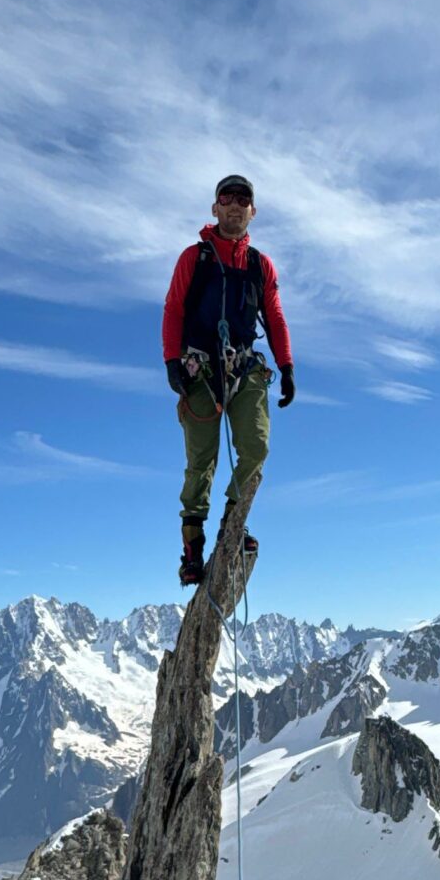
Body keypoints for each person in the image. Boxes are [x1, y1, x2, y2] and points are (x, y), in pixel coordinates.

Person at [160, 174, 294, 586]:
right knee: (202, 460)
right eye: (227, 198)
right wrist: (172, 361)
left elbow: (272, 316)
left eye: (243, 199)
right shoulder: (194, 258)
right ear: (215, 208)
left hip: (244, 366)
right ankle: (193, 548)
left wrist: (286, 364)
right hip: (199, 368)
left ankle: (232, 526)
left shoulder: (260, 265)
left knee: (256, 446)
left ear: (253, 211)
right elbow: (174, 308)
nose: (235, 205)